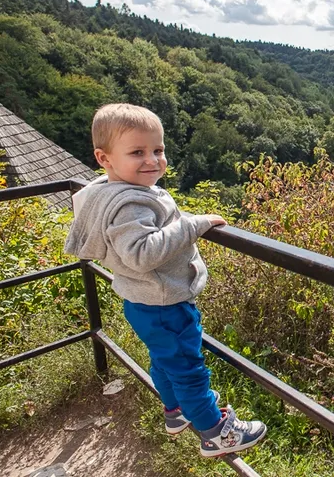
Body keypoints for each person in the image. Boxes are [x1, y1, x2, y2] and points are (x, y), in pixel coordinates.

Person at [65, 103, 266, 457]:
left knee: (163, 361)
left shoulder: (108, 191)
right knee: (188, 369)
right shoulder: (130, 204)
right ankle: (215, 432)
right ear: (104, 158)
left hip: (142, 302)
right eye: (137, 152)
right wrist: (193, 224)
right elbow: (141, 253)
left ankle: (174, 412)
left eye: (158, 150)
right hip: (165, 304)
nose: (153, 160)